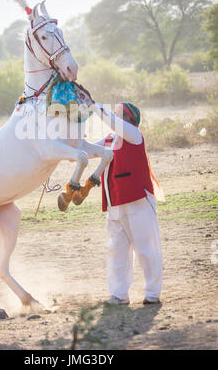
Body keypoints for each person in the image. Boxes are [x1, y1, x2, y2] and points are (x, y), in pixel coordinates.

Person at [91, 100, 164, 305]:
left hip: (137, 200)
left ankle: (152, 294)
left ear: (129, 119)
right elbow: (87, 150)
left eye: (118, 113)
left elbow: (112, 123)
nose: (114, 116)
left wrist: (92, 104)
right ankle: (119, 294)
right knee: (116, 250)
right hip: (114, 203)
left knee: (146, 249)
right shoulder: (110, 139)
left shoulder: (133, 133)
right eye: (113, 112)